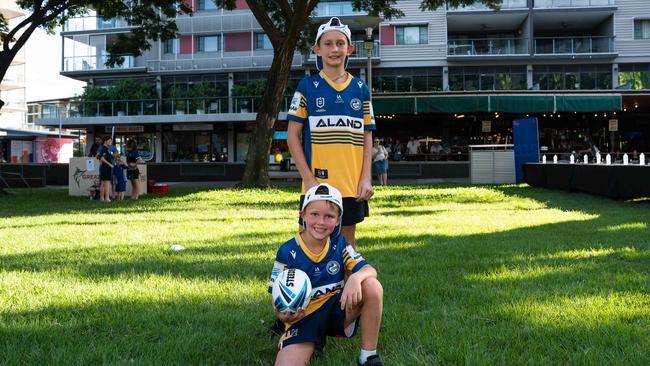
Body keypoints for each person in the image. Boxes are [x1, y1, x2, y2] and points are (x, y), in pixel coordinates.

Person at [269, 183, 383, 366]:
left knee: (371, 285)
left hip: (337, 311)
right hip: (304, 317)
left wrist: (355, 277)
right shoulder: (287, 251)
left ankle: (368, 357)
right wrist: (283, 316)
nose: (321, 222)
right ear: (302, 215)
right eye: (314, 214)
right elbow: (277, 295)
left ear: (338, 220)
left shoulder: (339, 244)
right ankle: (311, 342)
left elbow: (370, 270)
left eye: (329, 216)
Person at [287, 17, 375, 248]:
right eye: (327, 43)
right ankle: (307, 285)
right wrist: (308, 179)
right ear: (317, 49)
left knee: (346, 248)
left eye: (340, 43)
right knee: (310, 244)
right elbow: (292, 135)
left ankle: (348, 285)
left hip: (351, 184)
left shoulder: (361, 89)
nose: (334, 49)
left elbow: (367, 136)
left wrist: (365, 177)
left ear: (350, 49)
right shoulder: (307, 86)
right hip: (317, 183)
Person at [97, 136, 115, 202]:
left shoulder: (106, 149)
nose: (111, 142)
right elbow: (102, 158)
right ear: (105, 141)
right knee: (106, 183)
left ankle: (102, 198)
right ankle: (106, 198)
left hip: (104, 168)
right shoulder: (104, 149)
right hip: (106, 168)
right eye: (109, 141)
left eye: (111, 141)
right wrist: (110, 164)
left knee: (103, 183)